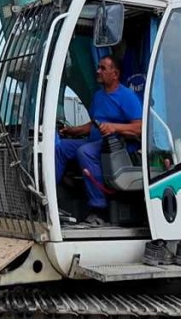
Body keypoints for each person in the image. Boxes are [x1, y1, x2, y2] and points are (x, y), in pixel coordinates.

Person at [55, 55, 142, 225]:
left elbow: (140, 127)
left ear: (115, 74)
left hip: (117, 146)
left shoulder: (127, 96)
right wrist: (74, 130)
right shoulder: (98, 96)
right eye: (98, 67)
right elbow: (93, 124)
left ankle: (99, 209)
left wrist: (114, 127)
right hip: (94, 141)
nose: (98, 71)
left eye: (103, 68)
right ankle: (50, 198)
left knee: (85, 152)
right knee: (60, 147)